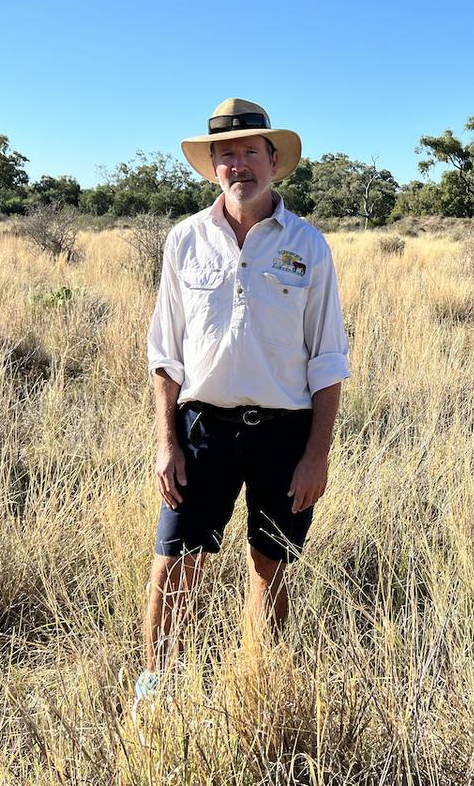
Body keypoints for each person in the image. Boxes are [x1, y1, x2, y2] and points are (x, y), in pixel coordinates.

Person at [135, 98, 350, 702]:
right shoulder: (185, 240)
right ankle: (157, 690)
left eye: (251, 151)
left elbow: (327, 359)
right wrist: (166, 442)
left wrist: (316, 456)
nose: (239, 164)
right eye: (225, 154)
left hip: (285, 433)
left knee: (270, 568)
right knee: (175, 562)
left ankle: (262, 687)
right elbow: (165, 352)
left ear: (274, 161)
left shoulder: (309, 245)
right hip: (201, 428)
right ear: (212, 166)